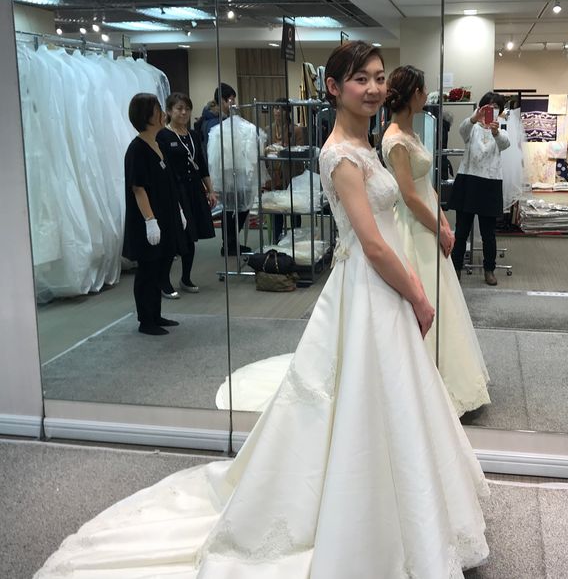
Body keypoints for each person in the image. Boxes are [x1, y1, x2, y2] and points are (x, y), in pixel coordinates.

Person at [34, 43, 489, 578]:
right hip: (371, 286)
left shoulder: (365, 146)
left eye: (378, 77)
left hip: (381, 285)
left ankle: (402, 505)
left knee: (390, 393)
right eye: (360, 79)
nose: (373, 88)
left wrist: (411, 285)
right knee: (367, 392)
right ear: (333, 88)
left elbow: (384, 233)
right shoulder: (341, 155)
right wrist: (417, 294)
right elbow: (371, 243)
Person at [382, 65, 491, 417]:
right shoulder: (394, 138)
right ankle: (423, 389)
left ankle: (448, 377)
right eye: (423, 90)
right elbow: (409, 196)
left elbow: (426, 186)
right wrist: (438, 228)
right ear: (412, 94)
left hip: (428, 220)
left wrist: (444, 221)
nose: (426, 95)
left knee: (442, 297)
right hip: (413, 226)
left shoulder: (411, 133)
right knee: (425, 296)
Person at [122, 93, 185, 336]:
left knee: (160, 266)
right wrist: (150, 221)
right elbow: (138, 188)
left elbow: (168, 183)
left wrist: (178, 210)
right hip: (148, 220)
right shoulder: (137, 149)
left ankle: (156, 314)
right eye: (158, 109)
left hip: (165, 216)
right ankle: (145, 320)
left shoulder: (158, 144)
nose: (163, 114)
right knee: (147, 269)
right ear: (147, 116)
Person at [157, 92, 218, 297]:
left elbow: (201, 164)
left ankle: (186, 277)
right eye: (179, 108)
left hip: (194, 190)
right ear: (169, 111)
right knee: (175, 236)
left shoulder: (193, 135)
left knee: (191, 235)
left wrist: (210, 190)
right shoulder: (163, 136)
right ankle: (163, 281)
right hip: (175, 191)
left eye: (187, 109)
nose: (183, 112)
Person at [449, 92, 510, 286]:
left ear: (500, 111)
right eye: (488, 106)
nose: (492, 110)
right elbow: (461, 131)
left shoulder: (501, 128)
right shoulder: (472, 126)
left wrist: (496, 132)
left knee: (488, 234)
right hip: (468, 180)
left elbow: (505, 144)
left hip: (490, 182)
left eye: (496, 107)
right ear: (481, 107)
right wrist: (474, 117)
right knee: (461, 231)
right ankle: (456, 268)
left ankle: (489, 269)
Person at [200, 83, 251, 256]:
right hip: (223, 172)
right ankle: (229, 244)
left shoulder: (227, 118)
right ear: (221, 100)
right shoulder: (213, 122)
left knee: (239, 206)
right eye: (230, 99)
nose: (233, 103)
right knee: (231, 208)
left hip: (233, 169)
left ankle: (231, 243)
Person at [266, 97, 305, 242]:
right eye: (275, 108)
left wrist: (284, 150)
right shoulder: (268, 129)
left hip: (292, 174)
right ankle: (276, 240)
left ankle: (296, 240)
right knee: (277, 210)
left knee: (294, 210)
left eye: (281, 109)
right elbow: (265, 151)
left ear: (287, 112)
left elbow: (301, 152)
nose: (277, 112)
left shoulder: (296, 130)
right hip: (275, 175)